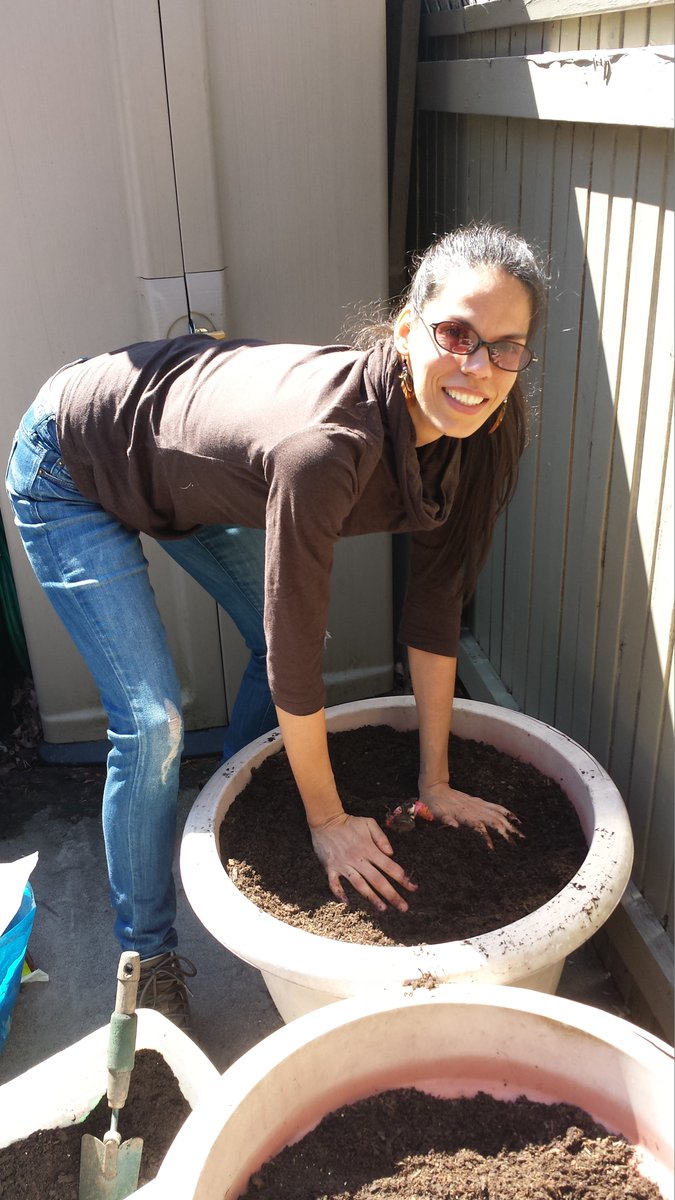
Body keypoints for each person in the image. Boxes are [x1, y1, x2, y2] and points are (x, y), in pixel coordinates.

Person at [5, 222, 547, 1032]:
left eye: (505, 348)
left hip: (176, 466)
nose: (477, 368)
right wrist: (326, 821)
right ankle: (145, 956)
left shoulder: (481, 432)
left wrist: (433, 783)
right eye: (456, 335)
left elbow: (435, 609)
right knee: (152, 721)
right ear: (406, 328)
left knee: (277, 653)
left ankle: (220, 810)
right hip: (75, 457)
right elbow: (297, 651)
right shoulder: (327, 448)